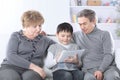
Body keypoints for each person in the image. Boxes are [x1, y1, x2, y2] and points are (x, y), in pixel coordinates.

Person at [0, 10, 55, 80]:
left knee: (30, 78)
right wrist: (35, 67)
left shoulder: (44, 39)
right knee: (12, 78)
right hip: (11, 67)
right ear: (26, 26)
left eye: (40, 25)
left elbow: (58, 48)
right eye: (35, 26)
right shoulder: (16, 36)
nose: (39, 29)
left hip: (31, 71)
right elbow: (11, 55)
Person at [72, 9, 120, 80]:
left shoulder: (105, 34)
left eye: (84, 23)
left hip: (108, 68)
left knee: (111, 77)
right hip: (88, 70)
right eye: (80, 24)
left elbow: (108, 55)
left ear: (94, 21)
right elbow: (61, 36)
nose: (82, 27)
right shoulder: (76, 35)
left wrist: (100, 70)